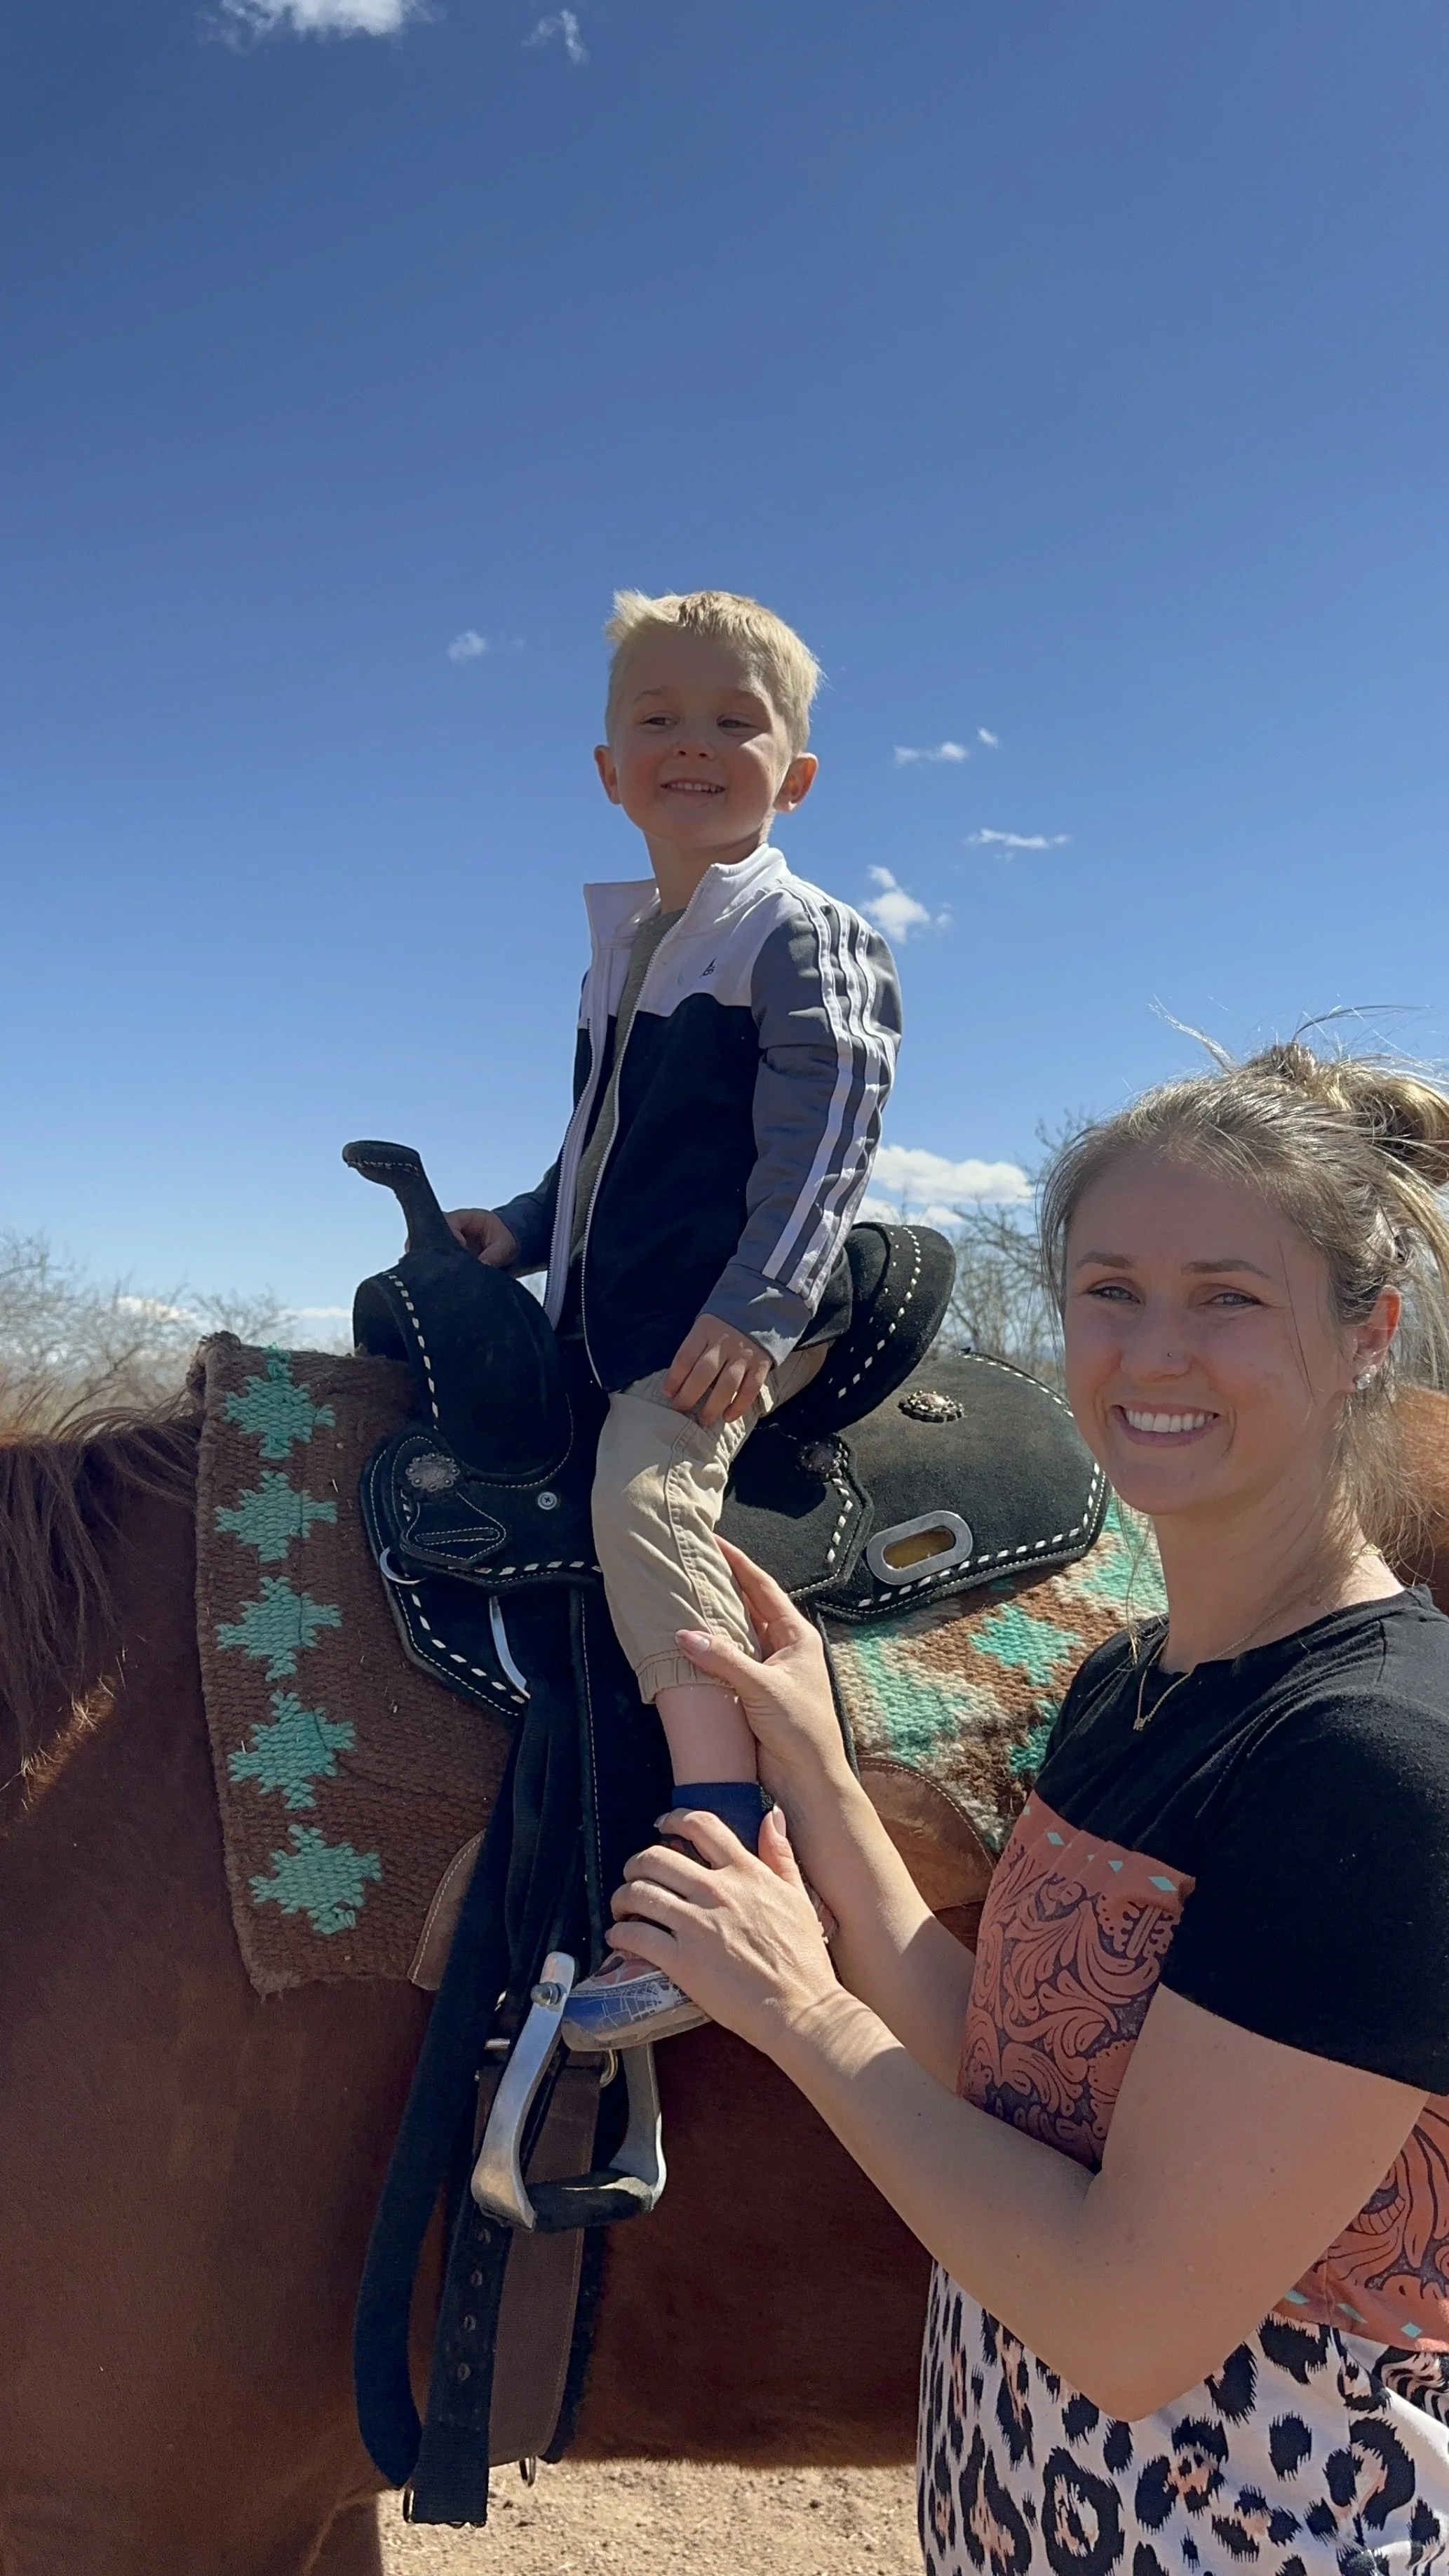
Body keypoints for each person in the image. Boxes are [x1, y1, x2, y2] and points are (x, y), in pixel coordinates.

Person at [607, 1041, 1449, 2575]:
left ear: (1365, 1335)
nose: (1151, 1352)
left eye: (1228, 1297)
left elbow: (1127, 2326)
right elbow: (1010, 2073)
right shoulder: (1130, 1682)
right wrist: (814, 1769)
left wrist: (797, 2011)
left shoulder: (1375, 1762)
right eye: (1109, 1290)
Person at [447, 587, 901, 2046]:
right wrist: (522, 1230)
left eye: (732, 721)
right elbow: (601, 1140)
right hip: (631, 1304)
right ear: (608, 769)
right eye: (658, 719)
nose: (692, 743)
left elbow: (830, 1131)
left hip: (737, 1311)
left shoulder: (796, 931)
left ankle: (723, 1824)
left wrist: (757, 1307)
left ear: (795, 776)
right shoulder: (632, 942)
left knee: (643, 1491)